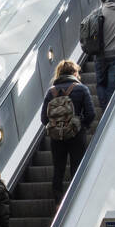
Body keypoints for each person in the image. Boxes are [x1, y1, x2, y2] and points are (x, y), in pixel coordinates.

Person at [40, 59, 95, 205]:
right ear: (74, 72)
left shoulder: (50, 92)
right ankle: (75, 200)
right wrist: (80, 125)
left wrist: (57, 127)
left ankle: (58, 201)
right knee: (77, 167)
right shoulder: (81, 89)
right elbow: (91, 114)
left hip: (56, 138)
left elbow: (44, 119)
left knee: (58, 168)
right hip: (76, 135)